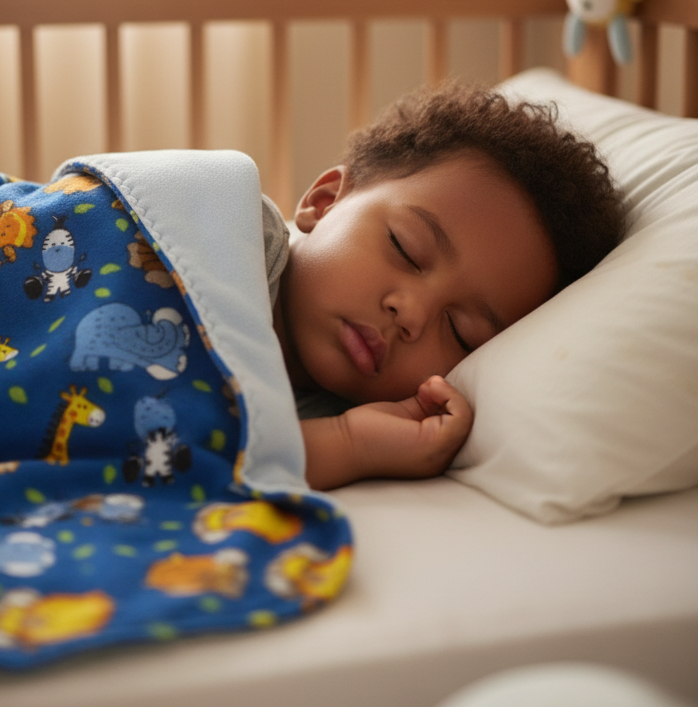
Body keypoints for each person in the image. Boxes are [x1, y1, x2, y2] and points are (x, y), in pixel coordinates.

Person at [266, 82, 627, 490]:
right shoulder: (230, 231)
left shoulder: (326, 419)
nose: (412, 314)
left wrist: (353, 442)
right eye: (406, 249)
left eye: (460, 332)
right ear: (325, 201)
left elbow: (199, 462)